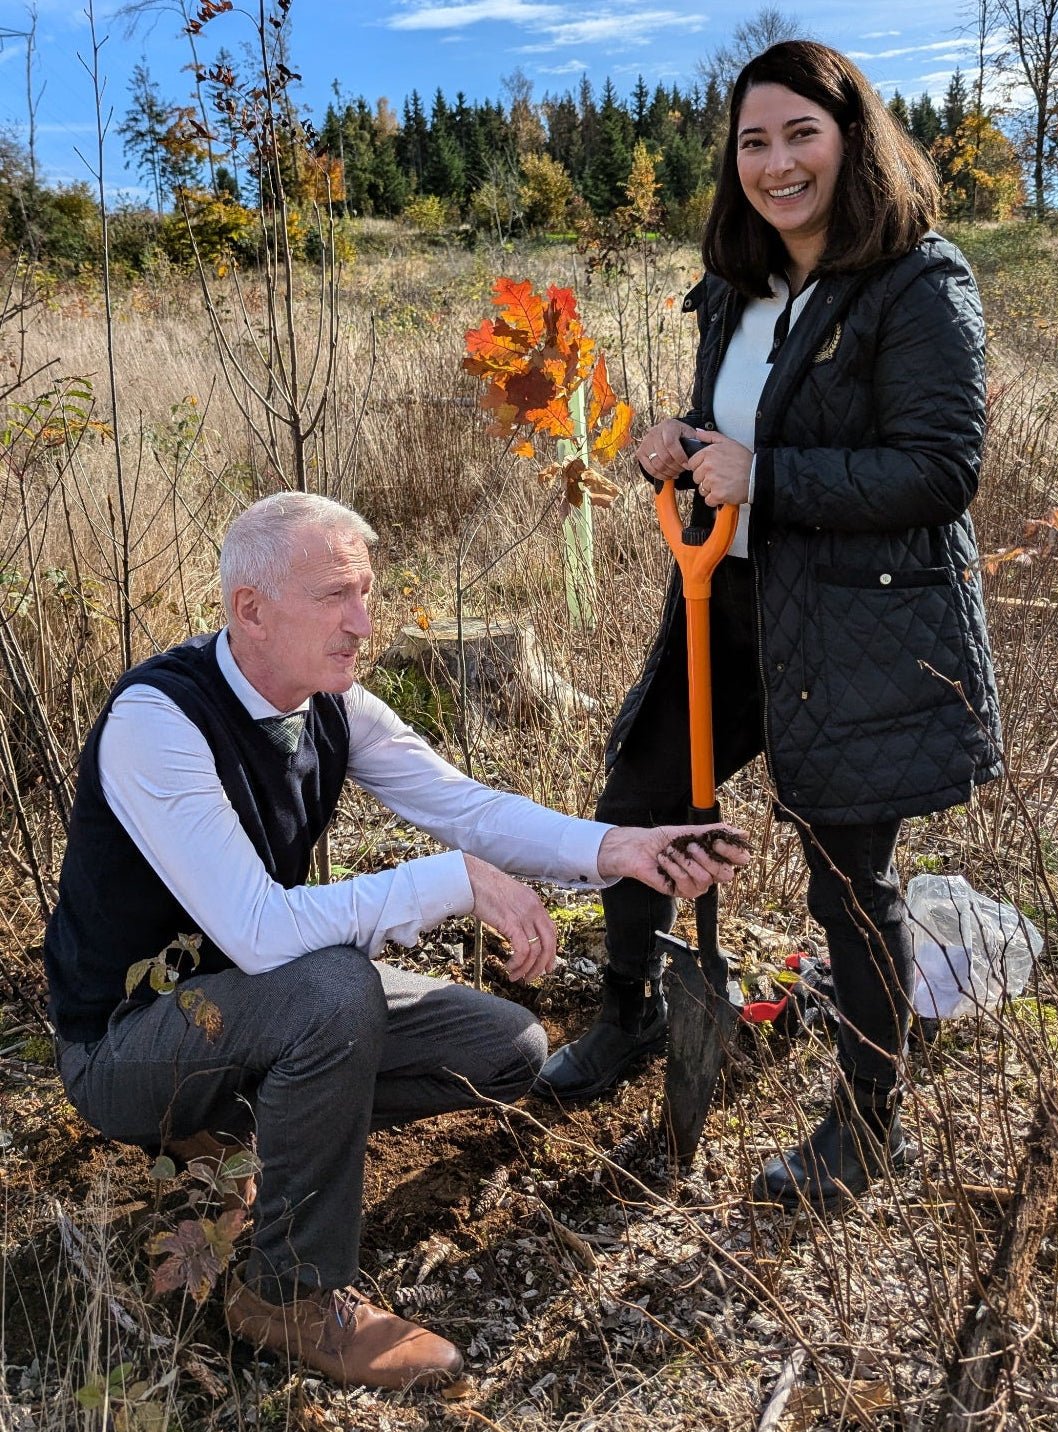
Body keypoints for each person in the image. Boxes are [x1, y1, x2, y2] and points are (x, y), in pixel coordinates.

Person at [43, 490, 749, 1391]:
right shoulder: (158, 722)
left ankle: (227, 1133)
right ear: (250, 608)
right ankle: (288, 1292)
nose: (364, 624)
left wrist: (621, 849)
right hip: (127, 1046)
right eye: (336, 596)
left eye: (366, 593)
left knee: (505, 1047)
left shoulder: (332, 706)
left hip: (250, 1012)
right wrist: (450, 882)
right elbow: (259, 932)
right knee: (335, 993)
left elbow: (467, 807)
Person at [537, 40, 1002, 1212]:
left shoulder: (916, 281)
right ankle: (632, 1013)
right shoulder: (735, 287)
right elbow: (737, 431)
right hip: (731, 602)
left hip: (855, 623)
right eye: (754, 141)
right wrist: (683, 444)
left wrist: (767, 475)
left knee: (846, 875)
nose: (777, 163)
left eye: (802, 133)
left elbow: (938, 469)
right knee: (641, 792)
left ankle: (869, 1126)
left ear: (852, 139)